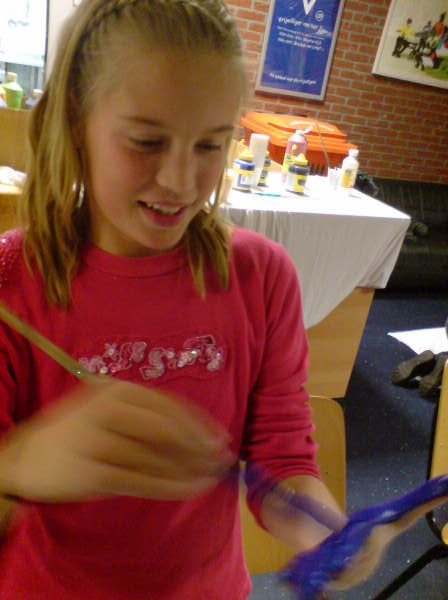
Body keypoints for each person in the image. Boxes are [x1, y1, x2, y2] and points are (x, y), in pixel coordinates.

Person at [0, 1, 390, 598]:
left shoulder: (261, 277)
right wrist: (19, 464)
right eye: (146, 142)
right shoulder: (12, 284)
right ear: (76, 123)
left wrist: (325, 532)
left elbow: (281, 463)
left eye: (210, 145)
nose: (181, 182)